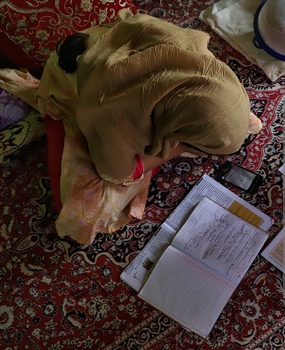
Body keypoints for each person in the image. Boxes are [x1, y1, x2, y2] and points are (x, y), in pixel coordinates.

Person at [30, 9, 261, 244]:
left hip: (106, 51)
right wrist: (179, 148)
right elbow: (116, 173)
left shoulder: (178, 46)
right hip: (85, 85)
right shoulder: (108, 113)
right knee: (83, 214)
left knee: (230, 120)